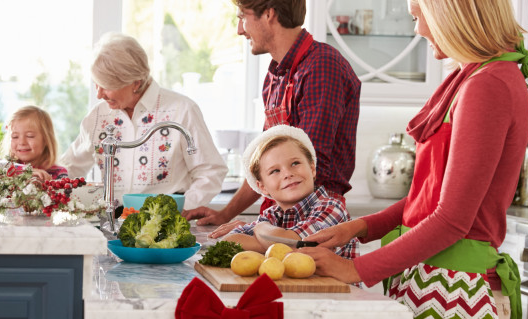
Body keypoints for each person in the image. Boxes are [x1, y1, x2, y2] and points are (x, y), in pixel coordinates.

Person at [298, 1, 528, 319]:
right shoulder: (471, 77)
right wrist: (356, 229)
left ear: (452, 15)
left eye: (420, 16)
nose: (419, 30)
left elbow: (452, 219)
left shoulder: (487, 85)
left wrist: (355, 270)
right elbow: (427, 199)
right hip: (433, 286)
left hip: (455, 301)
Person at [183, 0, 360, 237]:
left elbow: (305, 167)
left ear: (268, 14)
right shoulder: (276, 74)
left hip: (315, 220)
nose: (240, 30)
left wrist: (259, 230)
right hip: (281, 217)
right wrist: (225, 214)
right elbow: (266, 160)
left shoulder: (322, 66)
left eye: (242, 17)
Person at [59, 32, 227, 210]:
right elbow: (70, 168)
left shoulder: (182, 110)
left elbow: (211, 172)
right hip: (112, 218)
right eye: (96, 84)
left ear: (136, 83)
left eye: (107, 86)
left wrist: (183, 208)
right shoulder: (97, 116)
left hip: (166, 221)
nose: (99, 94)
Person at [222, 125, 357, 258]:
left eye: (295, 163)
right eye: (275, 171)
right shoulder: (272, 214)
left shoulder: (332, 208)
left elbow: (293, 244)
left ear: (312, 169)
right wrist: (273, 240)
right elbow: (228, 241)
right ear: (263, 187)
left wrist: (261, 227)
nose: (287, 174)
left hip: (331, 281)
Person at [2, 105, 68, 181]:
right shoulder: (5, 168)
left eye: (30, 136)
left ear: (46, 139)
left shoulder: (58, 173)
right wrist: (26, 171)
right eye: (15, 136)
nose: (22, 142)